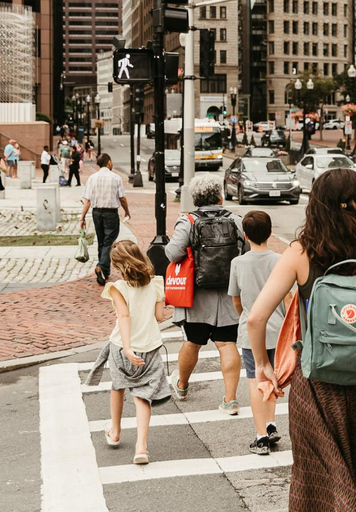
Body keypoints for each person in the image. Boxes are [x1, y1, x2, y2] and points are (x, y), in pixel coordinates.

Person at [246, 168, 356, 511]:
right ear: (351, 204)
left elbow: (256, 317)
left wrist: (264, 364)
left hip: (318, 383)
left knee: (321, 478)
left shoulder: (300, 254)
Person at [83, 241, 170, 465]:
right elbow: (160, 317)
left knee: (118, 386)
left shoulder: (117, 287)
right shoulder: (155, 283)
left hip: (122, 347)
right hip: (149, 347)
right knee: (142, 395)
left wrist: (128, 347)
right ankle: (141, 447)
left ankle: (115, 431)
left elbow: (123, 317)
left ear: (119, 265)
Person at [165, 173, 245, 415]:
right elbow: (246, 250)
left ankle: (182, 386)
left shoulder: (188, 221)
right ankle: (230, 400)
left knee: (192, 342)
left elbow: (172, 254)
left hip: (197, 296)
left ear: (196, 197)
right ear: (220, 195)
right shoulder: (236, 220)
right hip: (230, 294)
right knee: (227, 344)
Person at [228, 210, 291, 455]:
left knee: (256, 381)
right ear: (270, 232)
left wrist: (245, 316)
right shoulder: (279, 260)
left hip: (250, 331)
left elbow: (236, 300)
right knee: (272, 375)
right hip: (277, 330)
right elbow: (287, 297)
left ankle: (261, 435)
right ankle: (271, 423)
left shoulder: (238, 263)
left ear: (245, 236)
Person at [80, 153, 130, 285]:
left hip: (96, 213)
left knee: (102, 241)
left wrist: (82, 217)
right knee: (109, 241)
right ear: (108, 162)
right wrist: (126, 211)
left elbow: (87, 200)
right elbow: (122, 198)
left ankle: (104, 272)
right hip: (110, 213)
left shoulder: (92, 178)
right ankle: (101, 266)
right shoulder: (115, 178)